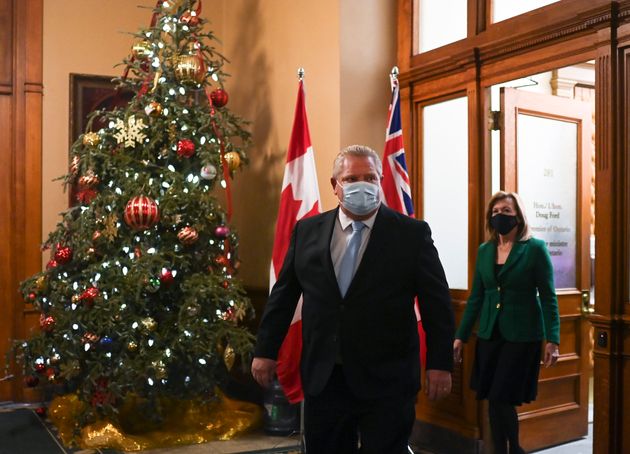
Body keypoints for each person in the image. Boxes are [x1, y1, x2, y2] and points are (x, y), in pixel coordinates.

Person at [251, 145, 455, 454]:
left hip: (388, 378)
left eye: (370, 177)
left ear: (381, 180)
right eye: (351, 178)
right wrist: (265, 350)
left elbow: (436, 304)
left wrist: (440, 364)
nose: (362, 185)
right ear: (335, 186)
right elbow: (284, 295)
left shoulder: (411, 235)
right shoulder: (308, 230)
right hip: (325, 376)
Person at [453, 191, 560, 454]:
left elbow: (548, 297)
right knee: (493, 398)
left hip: (522, 335)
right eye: (496, 211)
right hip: (490, 334)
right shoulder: (485, 250)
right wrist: (461, 336)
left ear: (519, 217)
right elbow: (476, 297)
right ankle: (502, 449)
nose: (500, 215)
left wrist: (553, 340)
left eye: (507, 211)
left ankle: (514, 449)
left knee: (502, 395)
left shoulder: (535, 249)